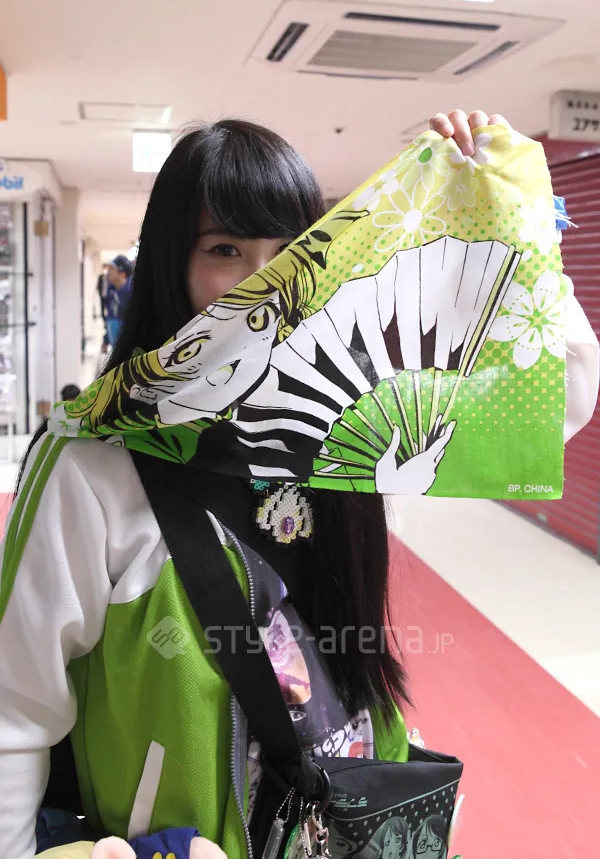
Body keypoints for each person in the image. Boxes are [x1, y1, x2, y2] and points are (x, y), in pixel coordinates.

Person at [0, 111, 597, 859]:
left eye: (291, 253)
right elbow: (16, 708)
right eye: (225, 250)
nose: (265, 285)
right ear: (170, 265)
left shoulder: (347, 409)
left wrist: (507, 209)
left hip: (345, 817)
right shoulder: (94, 459)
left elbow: (559, 396)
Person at [105, 255, 134, 347]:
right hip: (114, 342)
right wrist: (106, 339)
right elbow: (111, 314)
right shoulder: (111, 289)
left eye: (111, 269)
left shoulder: (131, 292)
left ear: (122, 274)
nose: (108, 272)